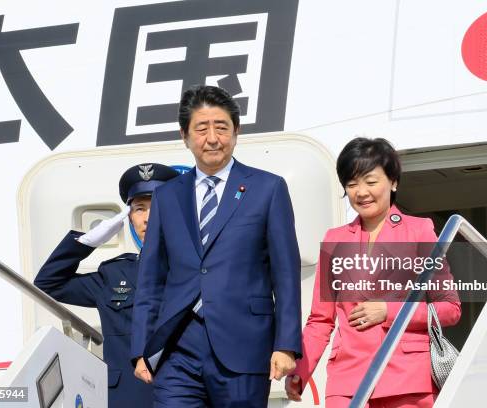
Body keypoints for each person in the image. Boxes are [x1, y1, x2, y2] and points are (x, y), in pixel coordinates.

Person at [131, 85, 302, 407]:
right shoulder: (168, 196)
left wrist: (286, 345)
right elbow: (151, 277)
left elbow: (286, 274)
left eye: (221, 127)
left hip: (244, 344)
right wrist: (141, 348)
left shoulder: (267, 188)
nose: (212, 138)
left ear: (236, 131)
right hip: (177, 346)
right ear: (185, 135)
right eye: (201, 128)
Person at [285, 137, 461, 408]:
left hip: (406, 379)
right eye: (352, 184)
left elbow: (450, 309)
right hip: (347, 381)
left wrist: (388, 311)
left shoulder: (419, 231)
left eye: (370, 181)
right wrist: (301, 368)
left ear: (393, 182)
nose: (361, 192)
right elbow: (320, 320)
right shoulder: (334, 240)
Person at [34, 163, 179, 408]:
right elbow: (49, 283)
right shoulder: (114, 274)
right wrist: (85, 242)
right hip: (127, 396)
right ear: (130, 218)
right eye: (139, 209)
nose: (148, 217)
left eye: (158, 208)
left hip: (183, 391)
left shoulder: (195, 269)